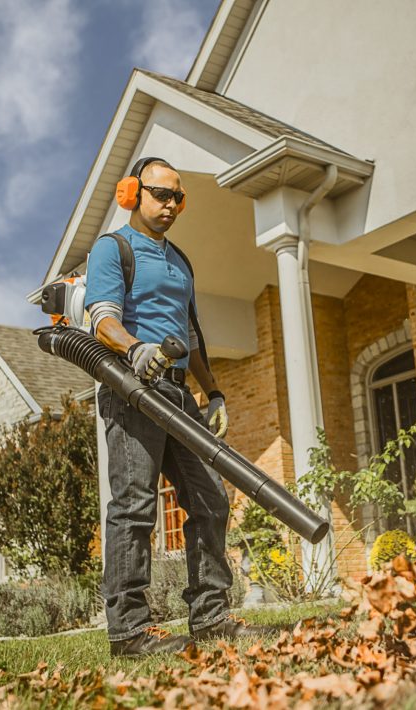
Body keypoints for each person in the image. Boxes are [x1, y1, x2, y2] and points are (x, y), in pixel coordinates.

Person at [85, 157, 270, 657]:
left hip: (177, 392)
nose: (170, 205)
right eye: (161, 194)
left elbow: (192, 334)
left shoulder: (180, 260)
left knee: (211, 499)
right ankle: (129, 632)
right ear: (132, 193)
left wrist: (214, 392)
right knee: (135, 506)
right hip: (131, 387)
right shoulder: (114, 248)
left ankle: (211, 617)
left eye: (178, 198)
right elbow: (100, 316)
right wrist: (133, 348)